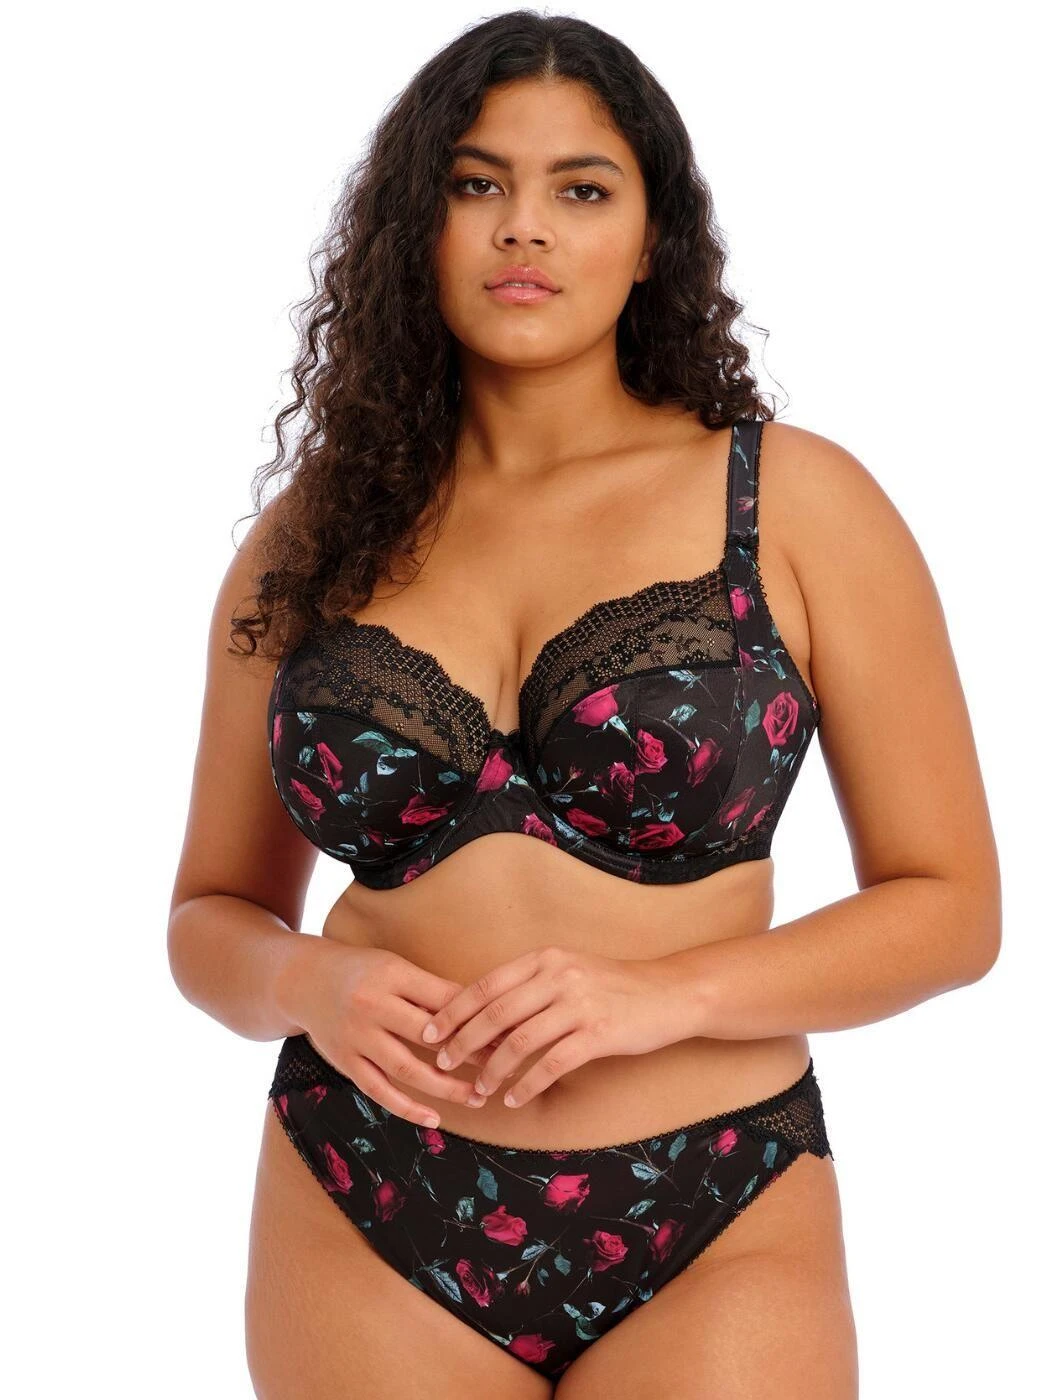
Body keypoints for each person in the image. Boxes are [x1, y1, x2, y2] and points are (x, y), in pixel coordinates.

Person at [167, 12, 1001, 1398]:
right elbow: (209, 915)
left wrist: (665, 996)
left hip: (716, 1198)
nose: (525, 227)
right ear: (414, 226)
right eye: (476, 183)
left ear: (654, 236)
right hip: (364, 1190)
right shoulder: (312, 540)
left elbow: (953, 908)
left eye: (583, 188)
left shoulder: (794, 504)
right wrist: (310, 982)